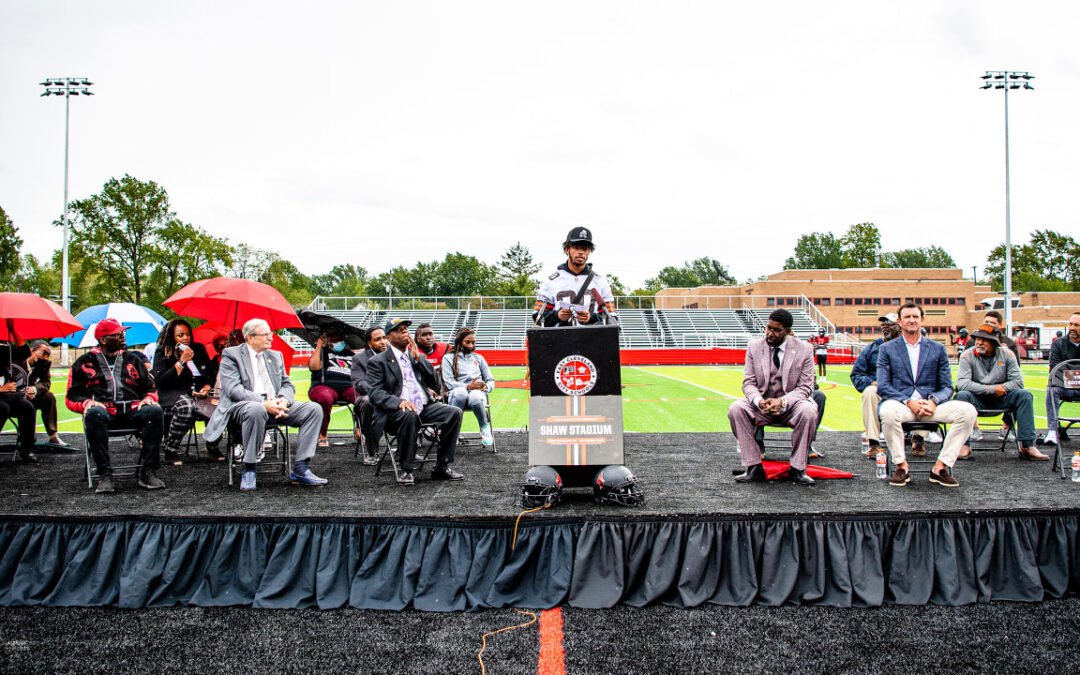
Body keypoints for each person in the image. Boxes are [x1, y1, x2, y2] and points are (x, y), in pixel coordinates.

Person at [203, 318, 327, 491]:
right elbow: (233, 390)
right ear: (251, 338)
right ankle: (249, 468)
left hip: (276, 403)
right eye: (266, 334)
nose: (271, 337)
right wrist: (264, 402)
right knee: (256, 409)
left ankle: (301, 468)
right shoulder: (231, 355)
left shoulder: (275, 356)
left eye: (271, 333)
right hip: (243, 405)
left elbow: (287, 384)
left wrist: (283, 399)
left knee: (313, 409)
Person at [877, 303, 976, 488]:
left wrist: (934, 401)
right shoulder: (887, 349)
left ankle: (941, 467)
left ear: (922, 319)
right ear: (899, 321)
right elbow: (883, 386)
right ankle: (901, 466)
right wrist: (908, 401)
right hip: (902, 404)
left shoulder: (937, 349)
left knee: (968, 411)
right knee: (887, 411)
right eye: (907, 317)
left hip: (931, 405)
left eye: (915, 316)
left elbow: (947, 386)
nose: (911, 320)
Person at [65, 318, 166, 494]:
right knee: (94, 413)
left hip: (132, 412)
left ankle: (148, 471)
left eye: (123, 333)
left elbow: (150, 388)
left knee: (154, 410)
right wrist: (87, 403)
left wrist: (148, 398)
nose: (123, 337)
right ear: (103, 339)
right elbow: (72, 396)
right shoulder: (83, 363)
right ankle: (105, 473)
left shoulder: (133, 360)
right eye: (118, 334)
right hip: (104, 414)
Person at [367, 317, 464, 485]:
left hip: (423, 407)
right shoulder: (378, 361)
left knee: (454, 412)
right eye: (399, 329)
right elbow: (375, 393)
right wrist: (398, 402)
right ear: (388, 337)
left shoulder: (415, 356)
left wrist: (420, 359)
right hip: (395, 412)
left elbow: (435, 382)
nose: (405, 331)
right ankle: (406, 469)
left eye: (406, 328)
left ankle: (442, 466)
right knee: (409, 414)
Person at [728, 309, 818, 486]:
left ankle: (798, 468)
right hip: (762, 405)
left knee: (809, 410)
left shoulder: (805, 349)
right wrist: (758, 401)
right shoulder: (754, 347)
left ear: (788, 331)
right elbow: (748, 382)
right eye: (768, 328)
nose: (770, 333)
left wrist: (782, 401)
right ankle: (753, 466)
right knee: (736, 408)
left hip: (792, 406)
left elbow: (805, 387)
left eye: (776, 330)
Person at [955, 324, 1048, 461]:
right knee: (962, 396)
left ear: (994, 343)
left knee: (1024, 395)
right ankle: (963, 444)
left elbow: (1018, 382)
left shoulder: (1007, 354)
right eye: (977, 339)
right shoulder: (966, 356)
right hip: (976, 398)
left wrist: (1002, 388)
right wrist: (991, 389)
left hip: (1002, 397)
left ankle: (1027, 446)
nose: (979, 342)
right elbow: (962, 384)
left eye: (984, 340)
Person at [152, 319, 218, 465]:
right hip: (175, 393)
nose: (185, 338)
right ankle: (171, 448)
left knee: (222, 404)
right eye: (180, 335)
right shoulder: (163, 351)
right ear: (172, 336)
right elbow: (161, 381)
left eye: (188, 334)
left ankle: (212, 445)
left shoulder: (198, 349)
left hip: (202, 392)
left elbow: (211, 373)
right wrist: (182, 361)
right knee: (187, 406)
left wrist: (207, 386)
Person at [533, 227, 617, 327]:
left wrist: (591, 318)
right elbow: (537, 318)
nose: (581, 252)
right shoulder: (551, 282)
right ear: (566, 249)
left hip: (592, 340)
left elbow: (612, 319)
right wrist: (557, 316)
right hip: (560, 340)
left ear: (589, 252)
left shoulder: (600, 282)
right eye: (576, 247)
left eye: (585, 248)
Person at [849, 312, 902, 458]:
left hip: (905, 390)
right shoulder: (872, 348)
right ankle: (873, 442)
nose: (885, 327)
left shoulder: (909, 346)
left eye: (889, 324)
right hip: (881, 390)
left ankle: (918, 439)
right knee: (869, 392)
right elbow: (856, 374)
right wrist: (871, 382)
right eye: (883, 325)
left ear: (900, 326)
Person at [441, 327, 496, 447]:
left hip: (477, 397)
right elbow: (448, 382)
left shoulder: (479, 358)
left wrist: (485, 387)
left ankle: (484, 428)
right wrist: (468, 386)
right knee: (461, 392)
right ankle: (454, 432)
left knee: (476, 395)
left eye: (473, 342)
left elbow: (491, 380)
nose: (471, 345)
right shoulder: (448, 358)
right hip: (457, 396)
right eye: (468, 342)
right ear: (460, 342)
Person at [307, 325, 356, 447]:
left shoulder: (351, 354)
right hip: (324, 386)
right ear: (327, 340)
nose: (337, 341)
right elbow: (313, 366)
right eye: (333, 339)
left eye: (339, 338)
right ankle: (322, 433)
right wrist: (319, 345)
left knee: (363, 397)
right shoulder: (323, 352)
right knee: (324, 397)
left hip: (348, 386)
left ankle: (360, 429)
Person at [17, 340, 66, 447]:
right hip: (16, 397)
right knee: (24, 404)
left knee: (49, 396)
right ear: (31, 350)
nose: (45, 357)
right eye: (43, 353)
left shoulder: (44, 363)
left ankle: (53, 436)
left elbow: (46, 383)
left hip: (32, 397)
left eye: (48, 355)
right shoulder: (17, 361)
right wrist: (23, 391)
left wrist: (34, 389)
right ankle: (27, 437)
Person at [1042, 312, 1080, 446]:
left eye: (1076, 325)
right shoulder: (1058, 344)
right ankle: (1052, 431)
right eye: (1071, 324)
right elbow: (1055, 370)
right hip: (1064, 386)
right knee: (1052, 389)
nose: (1072, 327)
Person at [1, 346, 37, 462]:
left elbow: (23, 352)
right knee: (3, 408)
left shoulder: (3, 351)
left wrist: (15, 331)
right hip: (2, 397)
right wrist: (1, 388)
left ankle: (26, 449)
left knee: (26, 407)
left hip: (5, 397)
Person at [415, 323, 449, 395]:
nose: (428, 337)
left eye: (430, 334)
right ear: (417, 338)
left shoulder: (445, 348)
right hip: (421, 387)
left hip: (441, 385)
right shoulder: (412, 351)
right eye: (424, 335)